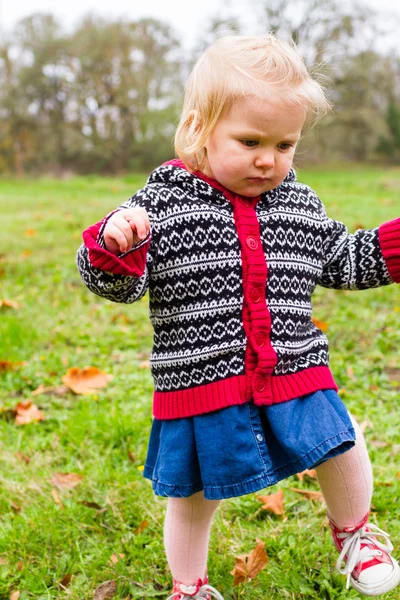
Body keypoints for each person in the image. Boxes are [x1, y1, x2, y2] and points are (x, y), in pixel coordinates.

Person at [76, 34, 400, 600]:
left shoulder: (298, 202)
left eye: (285, 144)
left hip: (294, 366)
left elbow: (343, 260)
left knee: (341, 443)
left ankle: (354, 534)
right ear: (200, 128)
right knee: (195, 494)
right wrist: (114, 245)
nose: (268, 159)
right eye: (250, 140)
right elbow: (114, 285)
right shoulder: (161, 204)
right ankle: (190, 585)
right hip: (202, 377)